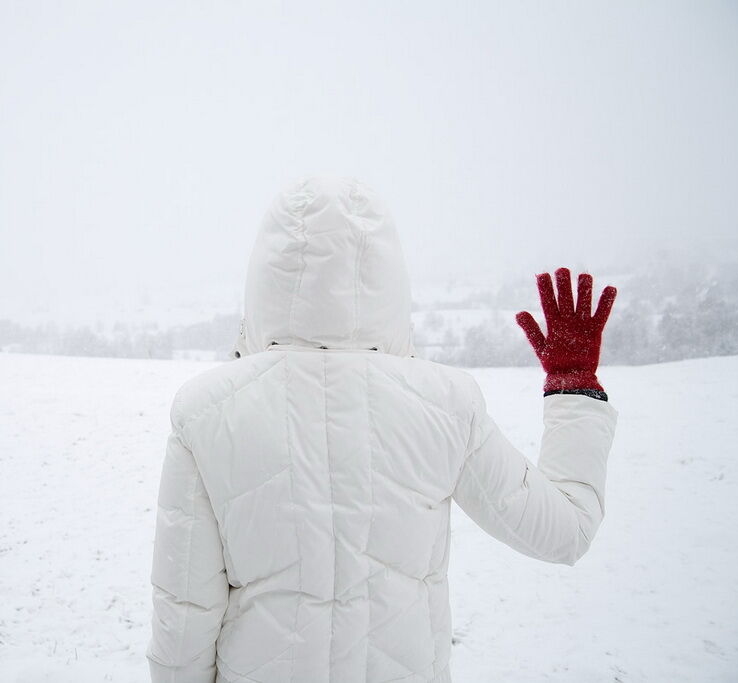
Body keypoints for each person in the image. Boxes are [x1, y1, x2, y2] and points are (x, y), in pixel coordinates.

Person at [145, 176, 618, 683]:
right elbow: (565, 532)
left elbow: (184, 621)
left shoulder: (206, 413)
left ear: (263, 277)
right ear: (390, 276)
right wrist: (575, 390)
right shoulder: (446, 406)